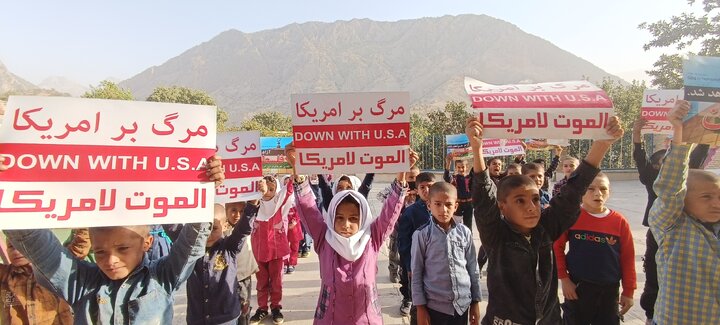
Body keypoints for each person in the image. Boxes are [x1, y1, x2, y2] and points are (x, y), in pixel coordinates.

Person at [2, 156, 224, 323]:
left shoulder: (162, 277)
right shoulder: (80, 283)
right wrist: (8, 186)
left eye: (123, 248)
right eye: (99, 251)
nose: (110, 260)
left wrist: (205, 190)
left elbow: (191, 243)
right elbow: (35, 242)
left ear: (147, 243)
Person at [469, 115, 623, 325]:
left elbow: (573, 192)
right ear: (502, 206)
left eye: (534, 199)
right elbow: (483, 199)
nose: (532, 207)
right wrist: (477, 148)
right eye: (520, 201)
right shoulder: (496, 236)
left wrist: (602, 144)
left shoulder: (545, 228)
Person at [286, 143, 411, 325]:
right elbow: (308, 210)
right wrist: (297, 170)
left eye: (353, 218)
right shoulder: (324, 238)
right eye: (340, 218)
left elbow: (389, 213)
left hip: (367, 320)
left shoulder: (372, 238)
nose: (346, 224)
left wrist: (402, 173)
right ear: (331, 217)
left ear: (363, 218)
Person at [631, 117, 709, 323]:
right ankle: (650, 314)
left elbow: (699, 154)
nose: (667, 165)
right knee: (654, 273)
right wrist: (636, 134)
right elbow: (640, 157)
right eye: (662, 162)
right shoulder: (652, 178)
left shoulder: (686, 179)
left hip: (685, 232)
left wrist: (707, 125)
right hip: (658, 233)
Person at [649, 100, 720, 324]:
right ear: (683, 200)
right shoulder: (672, 227)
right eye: (706, 197)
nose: (716, 203)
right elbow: (670, 189)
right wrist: (682, 134)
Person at [553, 172, 636, 324]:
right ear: (581, 192)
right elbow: (557, 247)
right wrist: (564, 279)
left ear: (609, 193)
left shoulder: (619, 221)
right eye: (591, 189)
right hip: (578, 288)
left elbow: (628, 257)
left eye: (603, 189)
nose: (598, 193)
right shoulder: (572, 217)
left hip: (609, 290)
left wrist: (629, 291)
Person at [411, 182, 482, 325]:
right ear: (429, 205)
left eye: (449, 204)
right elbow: (416, 272)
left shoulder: (465, 232)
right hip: (436, 307)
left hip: (462, 306)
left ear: (455, 206)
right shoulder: (422, 235)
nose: (443, 209)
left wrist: (475, 302)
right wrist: (420, 307)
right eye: (437, 204)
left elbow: (473, 269)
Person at [187, 204, 252, 325]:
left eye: (214, 228)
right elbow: (173, 229)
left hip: (225, 319)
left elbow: (243, 229)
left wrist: (253, 204)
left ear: (225, 226)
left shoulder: (229, 247)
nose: (207, 234)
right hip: (197, 318)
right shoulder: (190, 249)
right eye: (203, 228)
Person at [247, 175, 295, 325]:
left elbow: (290, 189)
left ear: (276, 190)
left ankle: (276, 307)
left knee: (277, 281)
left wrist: (296, 168)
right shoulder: (253, 206)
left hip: (276, 251)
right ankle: (262, 308)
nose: (267, 187)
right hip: (259, 251)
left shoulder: (280, 205)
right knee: (261, 282)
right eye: (264, 184)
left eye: (271, 185)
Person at [0, 239, 74, 324]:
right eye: (11, 246)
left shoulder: (54, 269)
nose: (16, 251)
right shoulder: (5, 275)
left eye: (20, 246)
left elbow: (79, 246)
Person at [396, 171, 436, 320]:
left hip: (437, 265)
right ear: (417, 189)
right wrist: (409, 266)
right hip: (417, 265)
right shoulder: (410, 212)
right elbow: (404, 243)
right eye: (422, 187)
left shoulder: (441, 208)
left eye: (430, 186)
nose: (426, 190)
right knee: (418, 302)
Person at [381, 164, 420, 284]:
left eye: (416, 177)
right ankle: (393, 270)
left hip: (414, 227)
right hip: (397, 225)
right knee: (394, 249)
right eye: (411, 177)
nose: (414, 180)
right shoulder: (398, 189)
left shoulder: (422, 189)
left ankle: (406, 270)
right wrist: (399, 197)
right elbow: (381, 196)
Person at [225, 201, 259, 325]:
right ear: (225, 211)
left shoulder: (247, 226)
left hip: (243, 277)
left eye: (241, 211)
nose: (237, 215)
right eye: (233, 210)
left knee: (243, 311)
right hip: (225, 278)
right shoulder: (219, 229)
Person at [443, 154, 474, 230]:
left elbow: (477, 170)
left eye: (463, 167)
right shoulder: (454, 178)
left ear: (466, 167)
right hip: (458, 204)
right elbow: (446, 177)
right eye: (459, 167)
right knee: (455, 225)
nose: (461, 169)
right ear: (456, 168)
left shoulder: (470, 177)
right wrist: (448, 163)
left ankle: (468, 240)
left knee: (468, 225)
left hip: (469, 204)